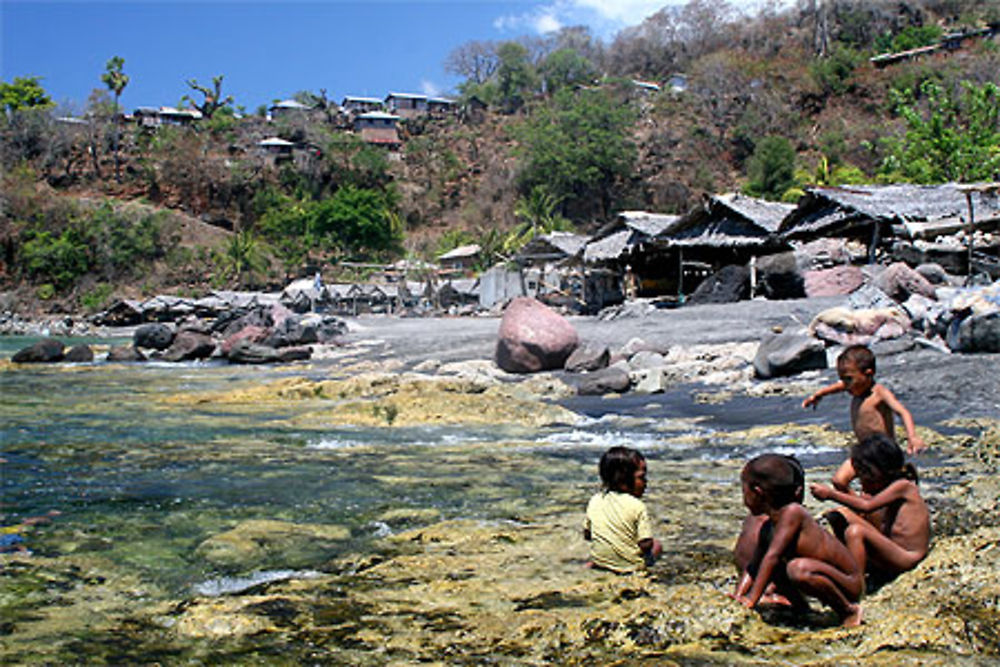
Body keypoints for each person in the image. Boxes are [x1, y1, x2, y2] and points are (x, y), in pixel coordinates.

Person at [732, 454, 863, 627]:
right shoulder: (768, 526)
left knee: (796, 568)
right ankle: (802, 609)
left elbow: (773, 556)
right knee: (776, 568)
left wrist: (752, 600)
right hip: (821, 574)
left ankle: (848, 610)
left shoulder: (793, 513)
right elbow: (754, 565)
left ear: (758, 493)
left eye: (744, 491)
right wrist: (739, 595)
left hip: (848, 583)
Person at [802, 344, 925, 493]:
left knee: (882, 490)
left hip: (883, 453)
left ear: (868, 373)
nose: (846, 386)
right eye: (843, 380)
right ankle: (861, 507)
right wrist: (818, 395)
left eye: (849, 380)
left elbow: (903, 412)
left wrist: (912, 437)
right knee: (839, 481)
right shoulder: (854, 388)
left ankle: (896, 487)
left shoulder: (879, 393)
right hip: (863, 451)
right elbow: (837, 386)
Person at [810, 434, 930, 583]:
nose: (863, 478)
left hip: (907, 556)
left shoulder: (903, 486)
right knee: (837, 516)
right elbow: (841, 481)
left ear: (884, 467)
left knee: (856, 532)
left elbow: (867, 507)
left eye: (866, 472)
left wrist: (830, 494)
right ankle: (852, 565)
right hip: (891, 549)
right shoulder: (886, 486)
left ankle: (855, 584)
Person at [583, 446, 662, 573]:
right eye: (641, 477)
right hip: (630, 568)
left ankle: (597, 563)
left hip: (601, 563)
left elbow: (588, 534)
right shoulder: (637, 506)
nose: (646, 482)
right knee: (657, 545)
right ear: (623, 481)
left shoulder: (595, 500)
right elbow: (645, 544)